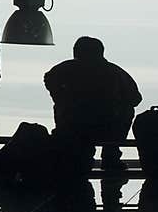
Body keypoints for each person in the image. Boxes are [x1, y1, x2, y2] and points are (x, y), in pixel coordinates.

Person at [44, 36, 142, 170]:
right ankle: (111, 156)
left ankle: (82, 157)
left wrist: (61, 97)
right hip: (109, 128)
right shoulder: (115, 72)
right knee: (127, 110)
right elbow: (135, 99)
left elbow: (49, 78)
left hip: (72, 127)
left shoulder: (65, 69)